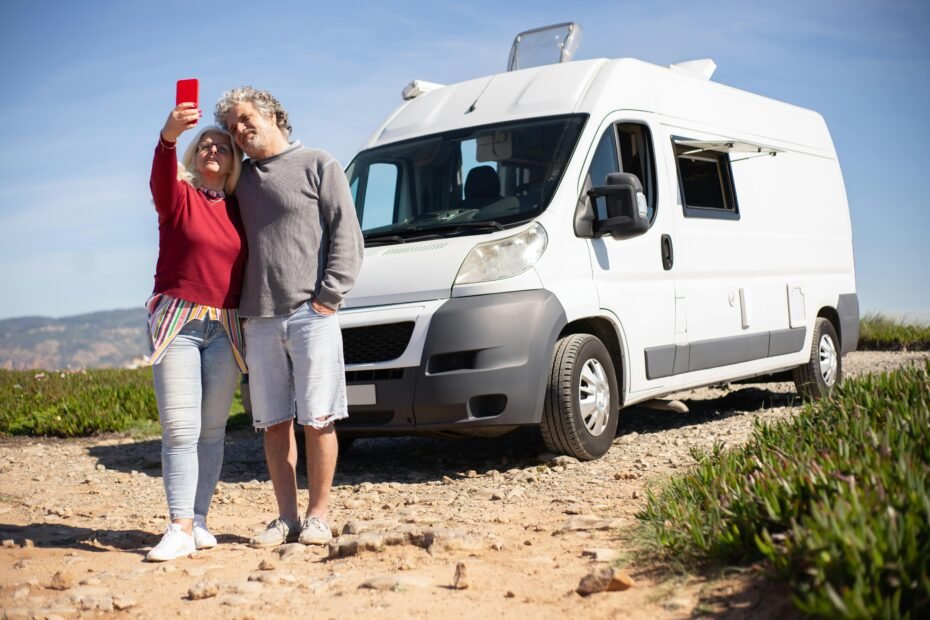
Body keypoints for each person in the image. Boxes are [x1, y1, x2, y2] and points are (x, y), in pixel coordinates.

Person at [214, 87, 363, 547]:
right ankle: (286, 518)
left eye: (245, 119)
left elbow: (347, 235)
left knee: (319, 418)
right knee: (274, 423)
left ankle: (318, 517)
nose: (240, 130)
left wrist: (328, 297)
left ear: (272, 115)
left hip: (311, 314)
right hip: (258, 319)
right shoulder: (239, 179)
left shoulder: (319, 163)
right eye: (232, 126)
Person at [144, 102, 247, 561]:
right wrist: (168, 136)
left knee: (212, 431)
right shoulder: (179, 197)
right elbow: (161, 177)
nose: (213, 150)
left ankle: (199, 520)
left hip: (226, 326)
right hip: (179, 323)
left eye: (222, 147)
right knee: (180, 429)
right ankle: (179, 527)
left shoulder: (241, 209)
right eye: (205, 145)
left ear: (233, 160)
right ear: (193, 155)